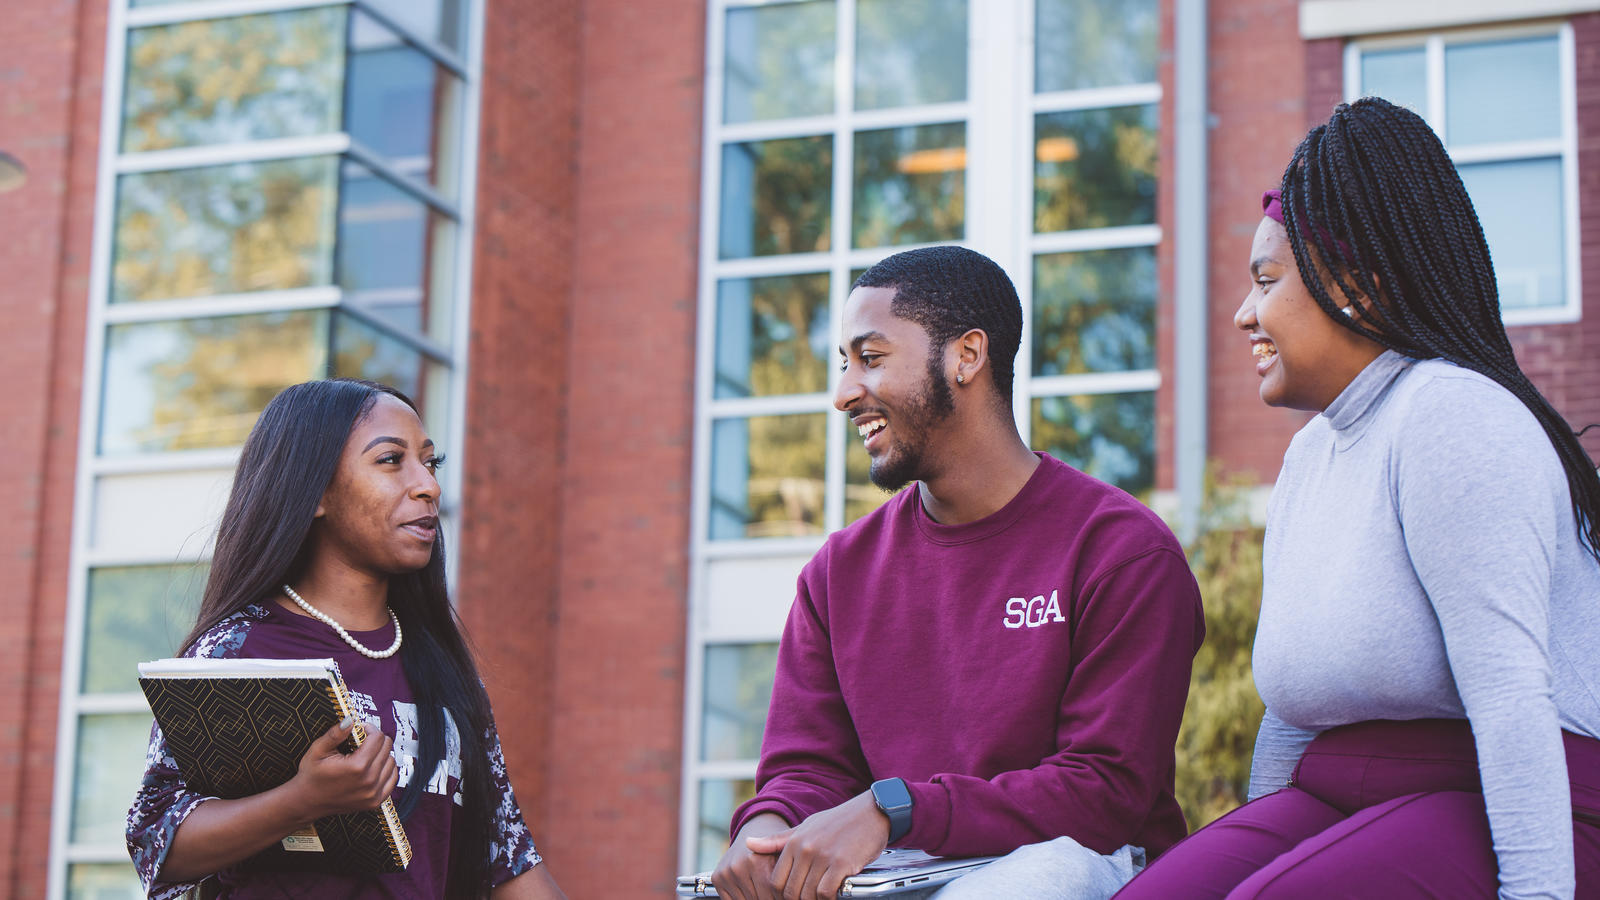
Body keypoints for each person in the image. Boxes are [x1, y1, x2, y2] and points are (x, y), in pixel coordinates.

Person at [1113, 96, 1600, 900]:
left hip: (1519, 796)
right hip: (1347, 788)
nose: (1244, 314)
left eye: (1266, 281)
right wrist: (1250, 850)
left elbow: (1513, 699)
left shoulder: (1452, 414)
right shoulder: (1311, 455)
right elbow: (1296, 712)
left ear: (1361, 291)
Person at [710, 246, 1206, 900]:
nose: (844, 393)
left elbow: (1103, 791)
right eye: (844, 365)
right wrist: (766, 832)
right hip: (901, 868)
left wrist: (895, 810)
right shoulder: (839, 573)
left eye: (872, 357)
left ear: (966, 356)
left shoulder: (1119, 550)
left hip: (1084, 867)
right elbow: (809, 769)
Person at [126, 379, 567, 900]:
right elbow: (157, 841)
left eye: (431, 463)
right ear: (314, 493)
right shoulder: (237, 648)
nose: (428, 485)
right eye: (390, 460)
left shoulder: (444, 670)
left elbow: (508, 859)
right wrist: (302, 799)